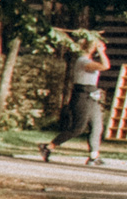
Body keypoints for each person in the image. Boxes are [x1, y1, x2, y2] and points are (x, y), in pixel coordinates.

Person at [43, 31, 113, 166]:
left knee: (97, 126)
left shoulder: (87, 61)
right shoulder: (82, 61)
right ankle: (48, 147)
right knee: (78, 128)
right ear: (90, 48)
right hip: (82, 96)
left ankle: (93, 156)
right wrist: (102, 51)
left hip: (91, 96)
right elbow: (105, 66)